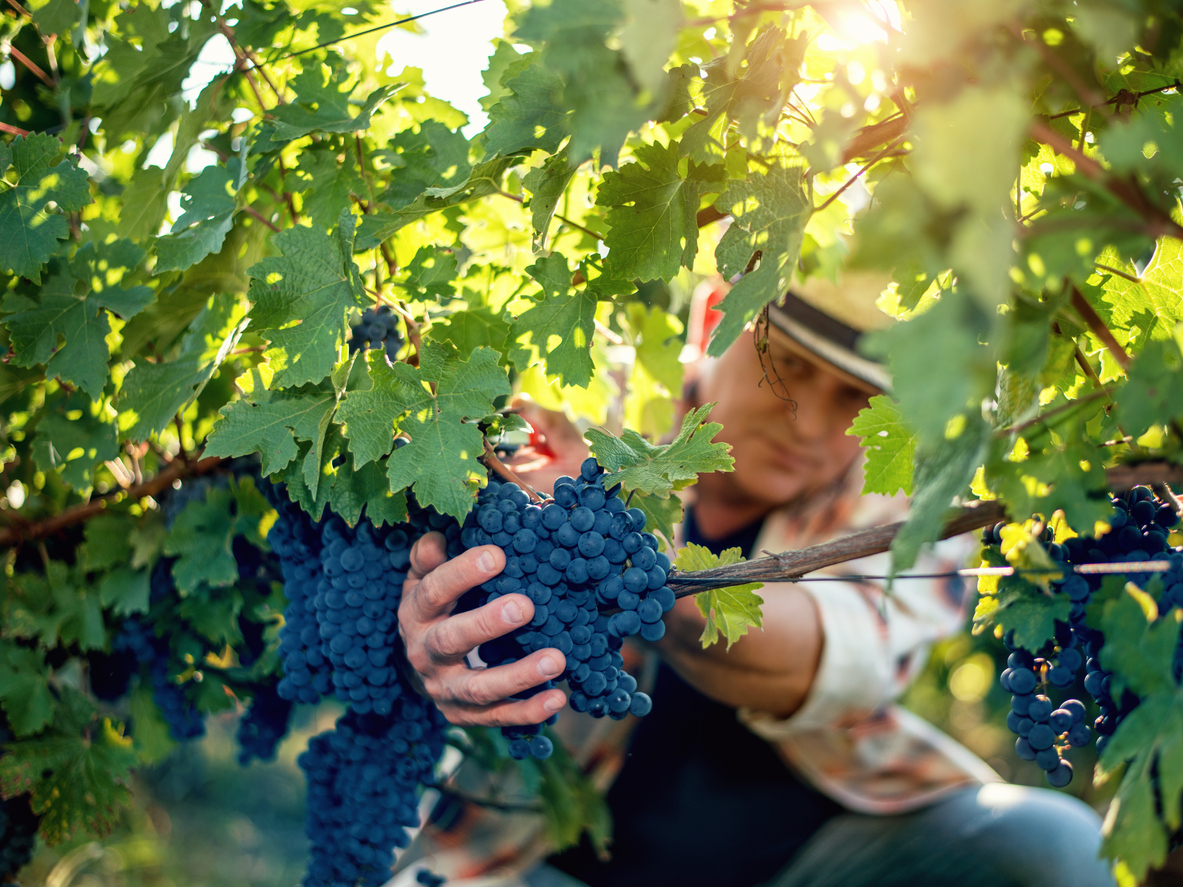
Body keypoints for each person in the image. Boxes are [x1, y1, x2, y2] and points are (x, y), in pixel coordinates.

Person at [393, 273, 1116, 887]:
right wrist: (432, 614)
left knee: (1050, 846)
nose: (807, 422)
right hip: (540, 860)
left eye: (856, 397)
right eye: (788, 365)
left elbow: (836, 665)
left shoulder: (906, 497)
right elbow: (483, 463)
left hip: (813, 864)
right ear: (715, 318)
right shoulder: (586, 408)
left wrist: (626, 555)